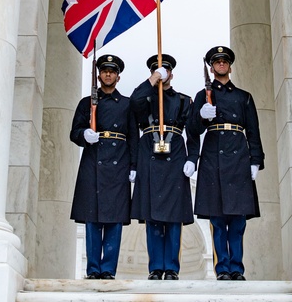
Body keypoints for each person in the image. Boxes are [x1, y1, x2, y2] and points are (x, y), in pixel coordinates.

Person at [187, 45, 264, 281]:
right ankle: (222, 269)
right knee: (218, 220)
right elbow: (192, 130)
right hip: (213, 158)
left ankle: (237, 268)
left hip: (239, 158)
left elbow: (253, 130)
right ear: (211, 67)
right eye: (217, 61)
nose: (221, 64)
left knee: (238, 221)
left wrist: (256, 160)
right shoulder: (203, 96)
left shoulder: (243, 97)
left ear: (229, 66)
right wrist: (202, 115)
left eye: (224, 61)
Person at [129, 54, 198, 280]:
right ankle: (155, 267)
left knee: (174, 217)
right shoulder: (145, 99)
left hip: (175, 156)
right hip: (149, 156)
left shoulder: (183, 100)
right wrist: (154, 79)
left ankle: (172, 268)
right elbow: (133, 101)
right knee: (153, 217)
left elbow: (194, 133)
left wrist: (192, 158)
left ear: (172, 74)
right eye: (158, 71)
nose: (163, 75)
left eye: (166, 71)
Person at [69, 54, 137, 279]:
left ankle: (108, 269)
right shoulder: (86, 103)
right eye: (105, 70)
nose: (108, 74)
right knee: (92, 219)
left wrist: (134, 166)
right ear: (98, 75)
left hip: (118, 164)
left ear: (118, 76)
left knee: (114, 220)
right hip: (93, 164)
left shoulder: (127, 104)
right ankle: (93, 269)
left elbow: (133, 137)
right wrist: (84, 134)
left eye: (112, 71)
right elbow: (74, 132)